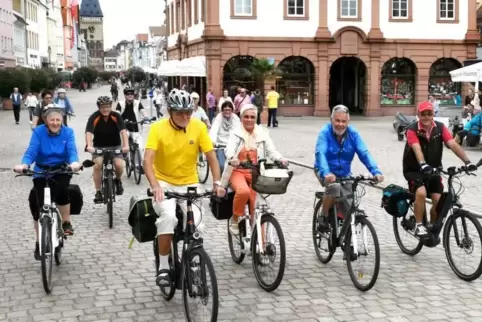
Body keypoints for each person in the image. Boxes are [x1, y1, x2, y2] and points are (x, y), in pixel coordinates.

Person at [144, 88, 225, 286]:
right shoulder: (158, 128)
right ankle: (163, 266)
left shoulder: (198, 127)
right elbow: (147, 160)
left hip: (189, 182)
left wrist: (216, 182)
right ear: (170, 112)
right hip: (164, 181)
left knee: (198, 223)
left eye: (188, 112)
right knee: (168, 217)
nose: (185, 116)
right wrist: (155, 186)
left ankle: (195, 264)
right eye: (180, 112)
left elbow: (211, 157)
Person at [13, 104, 81, 259]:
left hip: (61, 169)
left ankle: (65, 222)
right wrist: (24, 165)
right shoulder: (38, 132)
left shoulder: (68, 132)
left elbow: (72, 150)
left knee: (62, 191)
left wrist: (74, 163)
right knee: (38, 205)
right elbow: (32, 150)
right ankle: (39, 242)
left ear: (62, 120)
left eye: (58, 119)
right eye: (52, 120)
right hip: (41, 170)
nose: (55, 123)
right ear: (45, 120)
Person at [403, 101, 476, 237]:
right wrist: (423, 164)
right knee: (421, 193)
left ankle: (430, 226)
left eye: (429, 113)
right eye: (423, 114)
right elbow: (416, 147)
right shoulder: (412, 129)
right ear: (418, 115)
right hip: (414, 169)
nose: (426, 117)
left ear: (433, 114)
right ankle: (419, 225)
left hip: (434, 169)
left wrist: (467, 162)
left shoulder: (440, 128)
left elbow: (452, 144)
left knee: (438, 200)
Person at [314, 105, 384, 233]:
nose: (340, 124)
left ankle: (348, 240)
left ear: (348, 122)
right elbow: (321, 153)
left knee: (350, 205)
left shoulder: (353, 134)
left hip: (344, 173)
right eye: (337, 120)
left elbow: (364, 153)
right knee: (334, 188)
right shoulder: (325, 132)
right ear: (331, 120)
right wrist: (326, 172)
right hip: (324, 170)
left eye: (343, 121)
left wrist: (376, 171)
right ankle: (323, 216)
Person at [221, 104, 287, 234]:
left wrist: (280, 159)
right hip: (237, 171)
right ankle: (235, 218)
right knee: (243, 191)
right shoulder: (235, 133)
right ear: (241, 118)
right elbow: (229, 148)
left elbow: (271, 151)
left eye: (252, 117)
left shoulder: (262, 133)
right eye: (246, 117)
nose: (249, 119)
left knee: (256, 206)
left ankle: (259, 245)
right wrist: (231, 158)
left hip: (256, 173)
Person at [85, 96, 129, 203]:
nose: (106, 109)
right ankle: (98, 191)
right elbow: (89, 132)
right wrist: (89, 146)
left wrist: (126, 146)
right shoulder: (94, 117)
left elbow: (123, 131)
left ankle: (118, 180)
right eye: (103, 107)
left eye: (108, 107)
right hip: (99, 147)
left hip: (115, 146)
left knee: (119, 165)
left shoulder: (116, 116)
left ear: (111, 107)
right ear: (99, 107)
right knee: (97, 165)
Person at [116, 85, 149, 169]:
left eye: (132, 93)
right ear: (125, 95)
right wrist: (117, 119)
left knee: (140, 146)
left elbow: (143, 111)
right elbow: (117, 113)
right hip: (124, 127)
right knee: (125, 137)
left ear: (134, 95)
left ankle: (139, 165)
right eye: (128, 94)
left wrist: (146, 117)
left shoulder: (138, 103)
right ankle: (125, 155)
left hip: (135, 127)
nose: (130, 95)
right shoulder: (120, 103)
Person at [209, 101, 240, 173]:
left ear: (232, 110)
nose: (227, 112)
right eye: (225, 110)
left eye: (229, 110)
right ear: (222, 110)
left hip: (232, 144)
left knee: (235, 165)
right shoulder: (219, 118)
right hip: (221, 144)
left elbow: (237, 132)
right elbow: (214, 130)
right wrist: (212, 141)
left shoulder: (235, 119)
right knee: (222, 165)